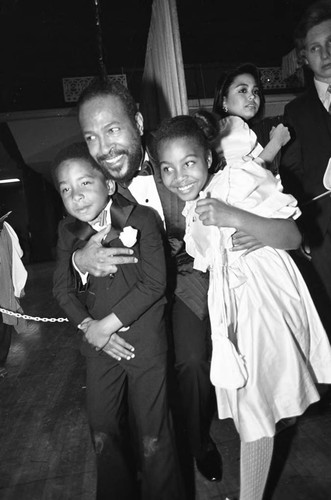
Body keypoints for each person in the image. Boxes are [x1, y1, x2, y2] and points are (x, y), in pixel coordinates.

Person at [153, 77, 331, 499]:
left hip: (265, 301)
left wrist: (238, 217)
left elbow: (291, 235)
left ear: (209, 159)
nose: (179, 177)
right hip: (234, 308)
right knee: (262, 409)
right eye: (168, 169)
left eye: (189, 163)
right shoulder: (194, 208)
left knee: (256, 414)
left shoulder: (238, 177)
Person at [67, 77, 228, 486]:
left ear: (138, 122)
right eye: (91, 137)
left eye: (113, 130)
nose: (104, 148)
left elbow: (221, 186)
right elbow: (73, 229)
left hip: (187, 273)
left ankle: (198, 440)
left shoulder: (174, 152)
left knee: (191, 361)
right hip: (136, 290)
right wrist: (77, 257)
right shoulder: (92, 179)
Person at [52, 142, 184, 499]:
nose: (76, 196)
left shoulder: (141, 220)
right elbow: (62, 291)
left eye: (84, 184)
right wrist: (89, 329)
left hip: (144, 343)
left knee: (154, 432)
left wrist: (104, 326)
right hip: (99, 348)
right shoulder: (68, 234)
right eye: (66, 190)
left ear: (109, 185)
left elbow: (156, 282)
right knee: (102, 428)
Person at [280, 0, 331, 337]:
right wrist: (304, 234)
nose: (325, 53)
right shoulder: (296, 112)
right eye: (316, 48)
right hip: (325, 232)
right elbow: (290, 178)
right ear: (305, 57)